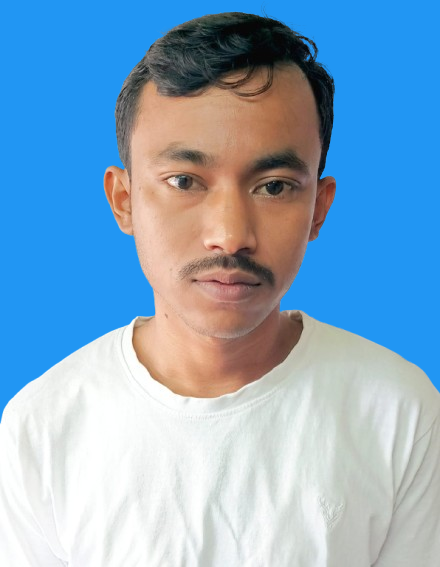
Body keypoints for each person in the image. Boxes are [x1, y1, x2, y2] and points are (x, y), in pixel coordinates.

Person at [0, 11, 439, 566]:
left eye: (274, 186)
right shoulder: (42, 428)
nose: (230, 235)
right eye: (185, 181)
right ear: (124, 201)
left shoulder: (400, 412)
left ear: (318, 209)